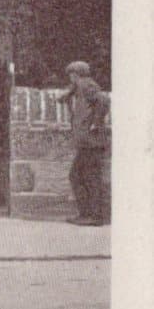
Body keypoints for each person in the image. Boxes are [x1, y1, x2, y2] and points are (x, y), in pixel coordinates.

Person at [56, 61, 110, 225]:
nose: (70, 78)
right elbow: (65, 95)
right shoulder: (80, 86)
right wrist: (68, 93)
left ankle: (93, 216)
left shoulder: (87, 85)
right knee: (82, 176)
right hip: (87, 142)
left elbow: (104, 100)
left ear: (76, 75)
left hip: (91, 142)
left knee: (85, 176)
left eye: (71, 75)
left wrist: (96, 122)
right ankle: (88, 214)